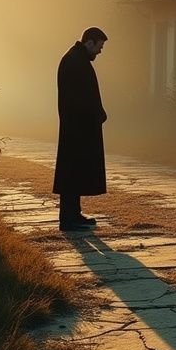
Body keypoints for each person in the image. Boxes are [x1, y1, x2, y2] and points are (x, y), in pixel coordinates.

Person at [54, 26, 108, 231]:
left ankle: (73, 214)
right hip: (76, 127)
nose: (100, 51)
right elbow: (80, 97)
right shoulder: (75, 62)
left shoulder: (76, 60)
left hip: (77, 126)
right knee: (71, 173)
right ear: (90, 42)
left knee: (73, 173)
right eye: (99, 46)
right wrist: (95, 114)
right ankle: (68, 219)